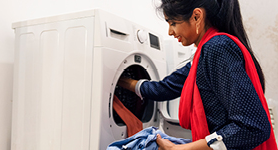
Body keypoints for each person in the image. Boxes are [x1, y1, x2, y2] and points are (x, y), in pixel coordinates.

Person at [117, 0, 278, 149]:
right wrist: (120, 80)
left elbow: (252, 126)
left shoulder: (217, 48)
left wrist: (179, 149)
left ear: (196, 17)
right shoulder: (202, 56)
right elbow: (162, 89)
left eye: (173, 23)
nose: (170, 32)